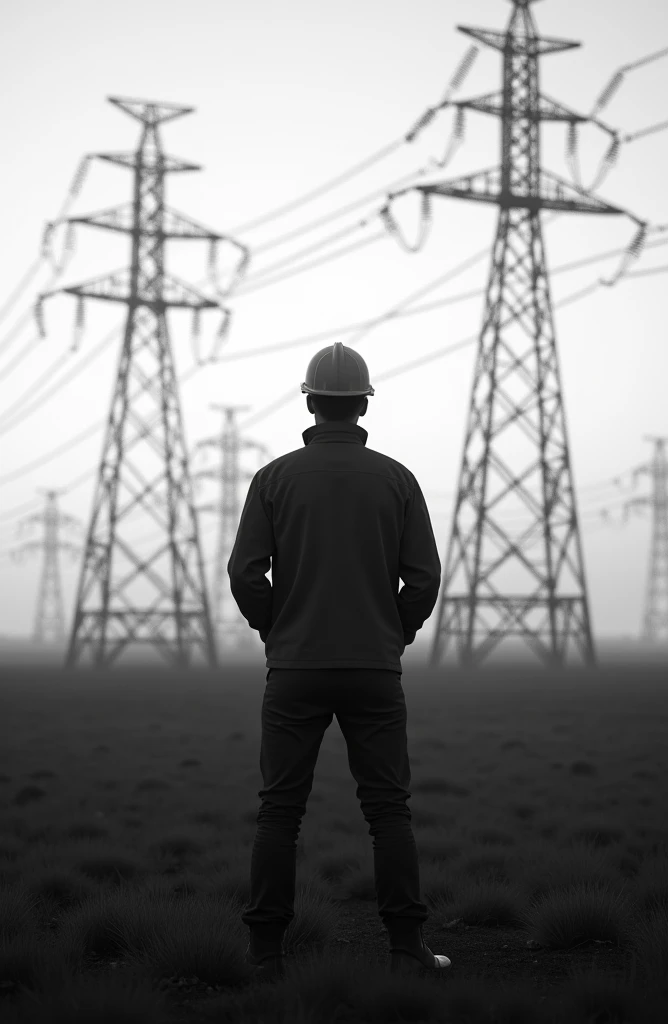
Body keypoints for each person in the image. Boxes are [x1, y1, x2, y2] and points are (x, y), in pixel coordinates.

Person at [227, 341, 450, 979]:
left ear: (311, 402)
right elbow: (424, 580)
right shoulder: (397, 479)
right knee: (388, 811)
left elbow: (245, 573)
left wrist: (277, 627)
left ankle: (265, 955)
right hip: (374, 671)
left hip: (294, 668)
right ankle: (408, 950)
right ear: (361, 404)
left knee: (279, 811)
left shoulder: (273, 479)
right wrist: (392, 632)